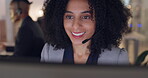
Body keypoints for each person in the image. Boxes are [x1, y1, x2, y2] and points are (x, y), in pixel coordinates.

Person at [41, 0, 131, 65]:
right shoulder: (49, 52)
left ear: (101, 20)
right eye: (69, 17)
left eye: (85, 17)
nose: (76, 25)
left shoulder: (117, 58)